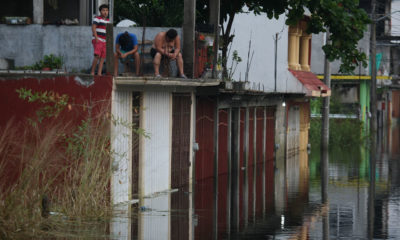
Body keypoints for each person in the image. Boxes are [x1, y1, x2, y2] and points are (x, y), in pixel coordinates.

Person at [90, 4, 109, 76]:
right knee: (97, 56)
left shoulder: (108, 21)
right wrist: (96, 38)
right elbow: (93, 28)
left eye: (107, 10)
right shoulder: (97, 18)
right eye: (103, 10)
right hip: (98, 39)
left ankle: (99, 73)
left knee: (102, 57)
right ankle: (92, 72)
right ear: (100, 11)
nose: (105, 12)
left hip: (105, 41)